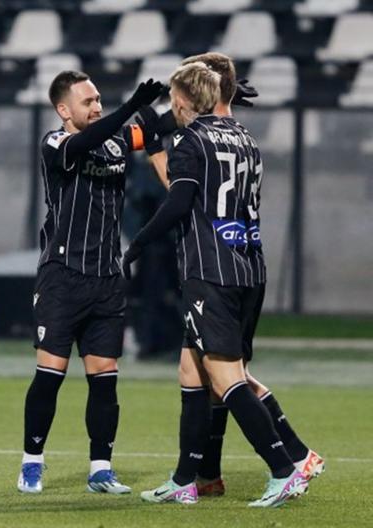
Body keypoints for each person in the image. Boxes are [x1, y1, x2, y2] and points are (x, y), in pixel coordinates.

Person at [136, 52, 324, 499]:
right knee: (193, 370)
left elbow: (182, 199)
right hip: (248, 264)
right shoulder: (245, 137)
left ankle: (286, 465)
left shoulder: (192, 140)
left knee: (226, 378)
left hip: (211, 269)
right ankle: (189, 479)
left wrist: (139, 241)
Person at [17, 71, 164, 494]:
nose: (97, 106)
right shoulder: (56, 144)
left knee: (104, 377)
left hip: (107, 279)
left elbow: (159, 128)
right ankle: (31, 462)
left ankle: (101, 469)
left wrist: (211, 102)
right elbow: (88, 141)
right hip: (62, 278)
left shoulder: (117, 140)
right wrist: (129, 107)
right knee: (51, 374)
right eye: (88, 101)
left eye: (98, 98)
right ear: (63, 110)